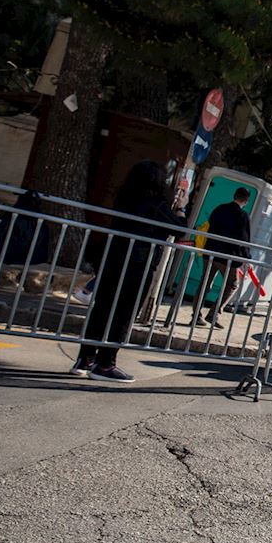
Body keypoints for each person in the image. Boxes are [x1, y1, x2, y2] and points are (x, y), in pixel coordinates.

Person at [70, 160, 186, 382]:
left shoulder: (124, 198)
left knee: (101, 308)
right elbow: (180, 229)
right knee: (124, 313)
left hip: (113, 257)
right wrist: (180, 207)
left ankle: (85, 358)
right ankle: (105, 364)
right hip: (138, 264)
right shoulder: (156, 205)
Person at [195, 187, 252, 328]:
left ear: (234, 195)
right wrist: (246, 257)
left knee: (205, 283)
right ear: (246, 200)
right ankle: (214, 313)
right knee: (232, 284)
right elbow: (243, 239)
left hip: (210, 251)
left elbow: (210, 225)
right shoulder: (243, 216)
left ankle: (196, 315)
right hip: (227, 256)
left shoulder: (219, 209)